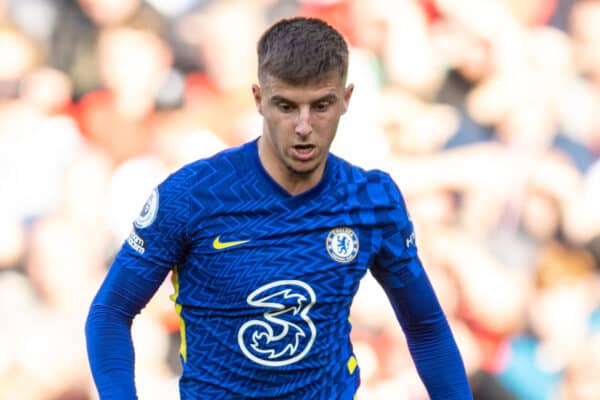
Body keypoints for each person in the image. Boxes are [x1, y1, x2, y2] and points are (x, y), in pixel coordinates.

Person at [85, 16, 473, 399]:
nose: (304, 126)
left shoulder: (371, 199)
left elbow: (426, 326)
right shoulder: (192, 195)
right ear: (258, 99)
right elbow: (110, 313)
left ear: (346, 99)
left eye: (321, 105)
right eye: (286, 106)